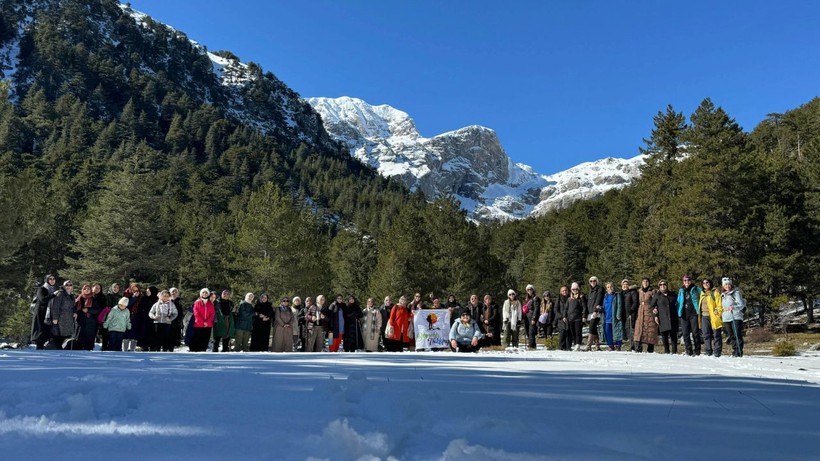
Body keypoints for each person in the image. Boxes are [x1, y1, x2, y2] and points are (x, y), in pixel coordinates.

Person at [45, 280, 76, 349]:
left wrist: (75, 312)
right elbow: (55, 307)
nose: (68, 286)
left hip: (68, 319)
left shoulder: (71, 295)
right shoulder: (60, 294)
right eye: (67, 285)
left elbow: (73, 306)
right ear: (64, 286)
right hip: (60, 319)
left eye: (70, 285)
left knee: (65, 336)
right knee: (58, 335)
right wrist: (55, 318)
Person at [677, 275, 703, 356]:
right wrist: (678, 311)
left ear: (691, 281)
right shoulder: (681, 290)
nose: (686, 282)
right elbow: (678, 301)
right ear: (683, 282)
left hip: (693, 313)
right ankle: (689, 350)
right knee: (685, 334)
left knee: (695, 333)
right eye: (685, 280)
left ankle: (697, 350)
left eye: (688, 280)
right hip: (684, 314)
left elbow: (703, 293)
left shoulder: (695, 288)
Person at [721, 277, 746, 357]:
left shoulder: (736, 293)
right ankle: (734, 349)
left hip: (735, 316)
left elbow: (741, 304)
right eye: (725, 285)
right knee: (731, 335)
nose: (727, 286)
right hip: (726, 317)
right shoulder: (722, 295)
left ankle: (739, 351)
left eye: (729, 284)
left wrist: (733, 307)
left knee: (737, 334)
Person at [651, 280, 678, 354]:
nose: (662, 286)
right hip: (662, 318)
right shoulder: (657, 295)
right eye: (661, 285)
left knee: (673, 336)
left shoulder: (673, 295)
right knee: (664, 336)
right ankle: (666, 351)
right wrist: (655, 315)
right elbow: (652, 306)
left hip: (673, 317)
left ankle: (674, 351)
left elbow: (678, 304)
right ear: (659, 286)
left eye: (664, 284)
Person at [31, 274, 57, 349]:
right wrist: (53, 295)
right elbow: (43, 299)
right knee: (40, 330)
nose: (52, 280)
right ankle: (39, 348)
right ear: (46, 280)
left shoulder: (54, 289)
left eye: (53, 279)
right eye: (50, 279)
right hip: (40, 312)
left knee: (47, 330)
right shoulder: (41, 289)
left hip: (49, 313)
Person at [699, 278, 723, 357]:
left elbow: (719, 304)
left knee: (716, 334)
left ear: (710, 283)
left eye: (707, 282)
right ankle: (708, 350)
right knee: (706, 334)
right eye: (704, 283)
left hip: (713, 316)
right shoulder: (702, 293)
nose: (705, 284)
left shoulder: (715, 292)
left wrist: (718, 312)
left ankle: (717, 351)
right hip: (704, 316)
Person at [633, 278, 658, 353]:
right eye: (644, 281)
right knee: (639, 331)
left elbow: (656, 301)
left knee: (650, 330)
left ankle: (650, 349)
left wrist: (655, 308)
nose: (645, 283)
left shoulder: (652, 291)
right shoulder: (639, 291)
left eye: (647, 281)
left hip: (649, 312)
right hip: (640, 312)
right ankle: (638, 348)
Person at [600, 282, 624, 351]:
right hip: (606, 316)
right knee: (607, 332)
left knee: (617, 331)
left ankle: (618, 345)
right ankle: (610, 346)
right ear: (606, 289)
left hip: (615, 317)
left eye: (611, 286)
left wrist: (618, 313)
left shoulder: (617, 295)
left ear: (613, 287)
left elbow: (619, 305)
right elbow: (604, 306)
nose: (610, 288)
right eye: (608, 287)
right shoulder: (605, 296)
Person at [74, 284, 99, 351]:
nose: (86, 290)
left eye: (88, 289)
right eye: (85, 289)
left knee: (89, 338)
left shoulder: (93, 298)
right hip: (80, 321)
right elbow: (75, 308)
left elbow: (97, 310)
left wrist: (89, 310)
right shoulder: (79, 298)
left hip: (91, 321)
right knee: (79, 337)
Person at [190, 288, 215, 352]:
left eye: (206, 293)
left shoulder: (211, 304)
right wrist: (203, 322)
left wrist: (207, 322)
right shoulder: (197, 302)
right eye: (203, 292)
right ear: (201, 294)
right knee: (197, 339)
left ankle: (203, 352)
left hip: (208, 325)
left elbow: (212, 314)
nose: (205, 294)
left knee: (205, 340)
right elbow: (196, 313)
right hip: (198, 324)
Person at [586, 276, 605, 351]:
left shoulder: (600, 289)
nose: (592, 282)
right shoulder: (590, 290)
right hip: (590, 312)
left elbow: (599, 300)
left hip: (596, 311)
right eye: (591, 281)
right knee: (593, 328)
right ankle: (597, 346)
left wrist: (596, 310)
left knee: (591, 327)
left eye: (594, 281)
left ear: (597, 281)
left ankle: (588, 345)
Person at [567, 282, 586, 351]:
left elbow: (584, 307)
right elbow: (567, 308)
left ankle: (578, 344)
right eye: (573, 289)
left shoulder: (581, 297)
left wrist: (584, 316)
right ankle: (575, 344)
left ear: (578, 289)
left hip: (578, 318)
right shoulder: (569, 299)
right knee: (573, 332)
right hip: (570, 318)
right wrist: (565, 316)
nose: (575, 290)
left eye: (576, 289)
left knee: (578, 332)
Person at [621, 279, 639, 351]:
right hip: (624, 314)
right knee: (628, 330)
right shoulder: (621, 293)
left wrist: (631, 310)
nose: (625, 286)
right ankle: (631, 345)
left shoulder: (632, 292)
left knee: (632, 330)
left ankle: (635, 346)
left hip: (631, 314)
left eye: (626, 284)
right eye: (623, 284)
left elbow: (635, 302)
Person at [524, 284, 542, 349]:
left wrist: (534, 318)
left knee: (531, 331)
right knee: (527, 331)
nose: (529, 290)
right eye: (528, 289)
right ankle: (532, 345)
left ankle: (531, 345)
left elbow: (536, 308)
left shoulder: (535, 298)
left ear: (533, 290)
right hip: (526, 316)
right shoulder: (526, 298)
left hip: (532, 316)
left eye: (531, 289)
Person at [555, 286, 571, 351]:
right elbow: (556, 309)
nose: (564, 292)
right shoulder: (558, 299)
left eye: (565, 290)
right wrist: (560, 316)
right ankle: (561, 347)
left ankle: (568, 347)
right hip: (561, 318)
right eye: (563, 291)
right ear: (560, 292)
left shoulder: (570, 298)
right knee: (562, 333)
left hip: (569, 318)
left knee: (569, 333)